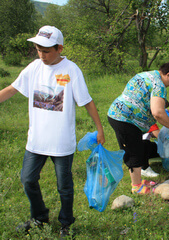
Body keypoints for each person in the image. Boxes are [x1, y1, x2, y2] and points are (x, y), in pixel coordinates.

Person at [0, 26, 105, 238]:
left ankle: (66, 223)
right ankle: (39, 217)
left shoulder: (71, 70)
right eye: (38, 49)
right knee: (28, 179)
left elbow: (87, 101)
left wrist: (100, 129)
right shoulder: (34, 67)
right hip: (36, 140)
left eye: (46, 50)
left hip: (61, 142)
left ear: (59, 48)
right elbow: (12, 89)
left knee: (64, 187)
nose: (42, 55)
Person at [107, 62, 169, 194]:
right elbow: (157, 112)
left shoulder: (145, 75)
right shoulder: (159, 85)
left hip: (118, 114)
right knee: (134, 152)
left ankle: (138, 182)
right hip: (126, 119)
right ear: (168, 75)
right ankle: (136, 187)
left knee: (135, 149)